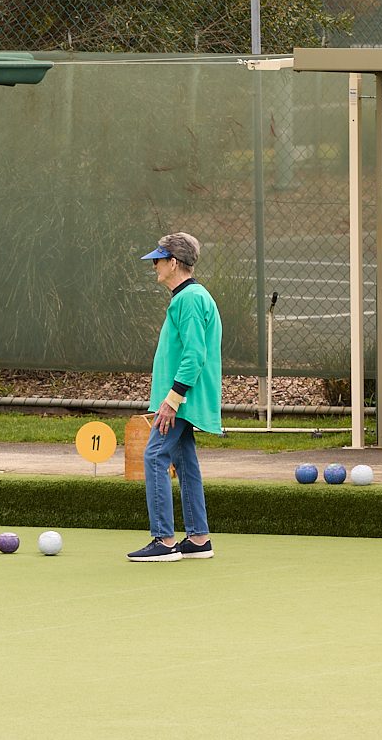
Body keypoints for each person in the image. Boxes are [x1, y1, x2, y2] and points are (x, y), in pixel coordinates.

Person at [128, 232, 223, 562]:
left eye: (158, 259)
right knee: (185, 463)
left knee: (155, 456)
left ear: (174, 263)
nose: (154, 265)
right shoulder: (187, 298)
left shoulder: (190, 299)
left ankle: (163, 541)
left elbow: (195, 354)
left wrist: (172, 400)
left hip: (182, 401)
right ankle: (198, 539)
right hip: (183, 400)